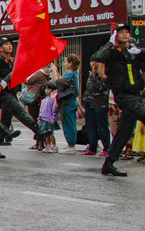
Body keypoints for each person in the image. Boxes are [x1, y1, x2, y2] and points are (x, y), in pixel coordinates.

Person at [0, 37, 54, 158]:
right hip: (4, 95)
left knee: (5, 123)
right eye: (6, 44)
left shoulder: (12, 61)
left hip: (12, 93)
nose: (9, 46)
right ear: (0, 48)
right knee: (20, 112)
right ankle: (39, 132)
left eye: (10, 44)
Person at [91, 22, 145, 176]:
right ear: (115, 36)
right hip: (123, 95)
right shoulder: (112, 52)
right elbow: (97, 58)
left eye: (127, 31)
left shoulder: (133, 53)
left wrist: (140, 52)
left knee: (124, 132)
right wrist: (109, 43)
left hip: (136, 93)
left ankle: (108, 164)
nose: (125, 34)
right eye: (121, 32)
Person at [82, 60, 111, 156]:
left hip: (100, 103)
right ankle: (92, 147)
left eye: (93, 61)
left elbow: (101, 87)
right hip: (90, 103)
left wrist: (97, 75)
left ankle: (106, 148)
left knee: (102, 126)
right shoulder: (92, 74)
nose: (91, 63)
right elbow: (88, 88)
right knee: (90, 126)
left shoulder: (104, 74)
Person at [57, 54, 82, 155]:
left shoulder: (70, 74)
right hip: (72, 101)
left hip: (67, 102)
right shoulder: (75, 74)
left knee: (68, 124)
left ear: (71, 63)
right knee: (71, 123)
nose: (64, 63)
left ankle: (71, 145)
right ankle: (71, 144)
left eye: (66, 61)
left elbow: (58, 83)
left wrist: (55, 72)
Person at [37, 83, 59, 153]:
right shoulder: (44, 100)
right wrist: (39, 118)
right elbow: (41, 110)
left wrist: (53, 118)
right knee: (45, 134)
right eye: (46, 89)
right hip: (44, 119)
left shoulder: (53, 100)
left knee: (50, 133)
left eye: (49, 89)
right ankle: (48, 145)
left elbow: (54, 110)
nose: (47, 91)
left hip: (49, 119)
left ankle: (54, 146)